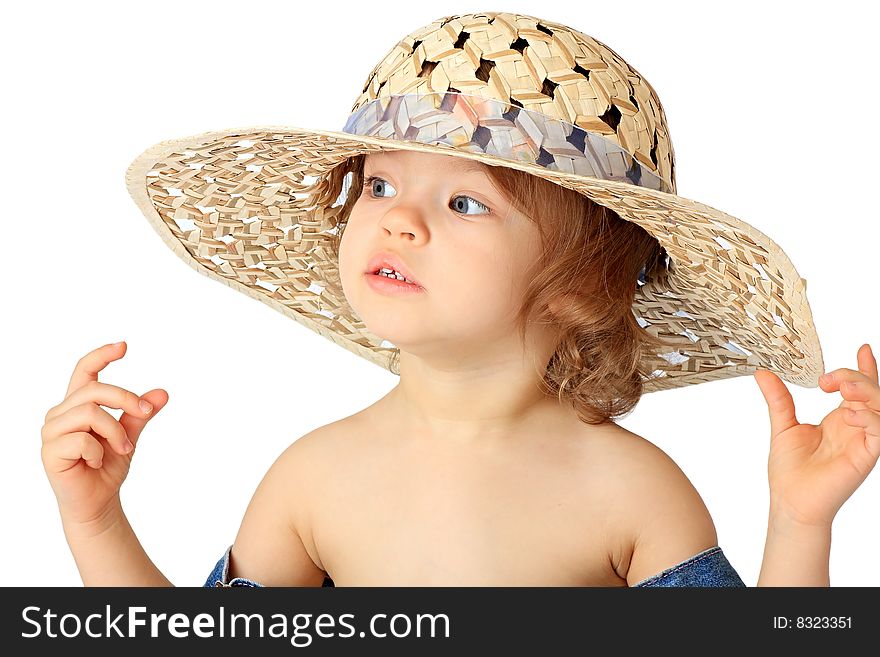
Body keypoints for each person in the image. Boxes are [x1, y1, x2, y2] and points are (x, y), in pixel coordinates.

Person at [40, 11, 880, 587]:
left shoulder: (630, 491)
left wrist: (800, 522)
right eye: (378, 185)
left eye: (465, 202)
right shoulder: (313, 479)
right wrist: (97, 520)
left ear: (581, 279)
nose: (398, 221)